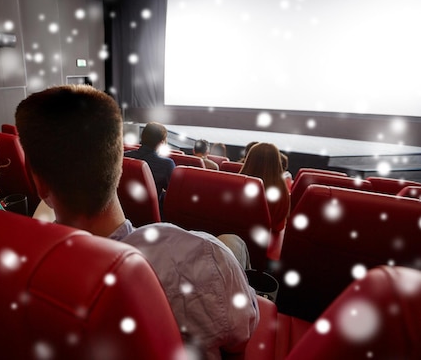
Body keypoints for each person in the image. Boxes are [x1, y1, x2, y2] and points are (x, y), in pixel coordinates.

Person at [15, 84, 259, 359]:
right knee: (233, 243)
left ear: (38, 182)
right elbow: (241, 338)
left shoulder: (22, 276)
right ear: (119, 162)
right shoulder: (201, 254)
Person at [239, 142, 290, 232]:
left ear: (249, 160)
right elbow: (279, 227)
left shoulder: (237, 185)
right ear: (277, 163)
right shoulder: (283, 192)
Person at [124, 122, 175, 205]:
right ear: (161, 143)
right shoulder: (167, 164)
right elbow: (173, 193)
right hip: (151, 213)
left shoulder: (124, 156)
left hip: (125, 210)